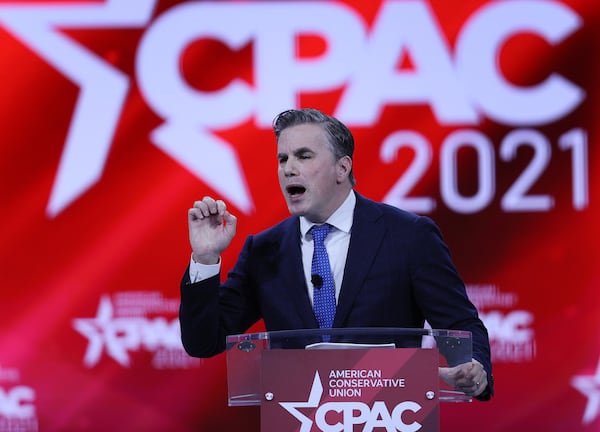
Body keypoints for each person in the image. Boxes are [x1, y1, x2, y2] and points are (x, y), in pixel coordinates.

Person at [179, 108, 493, 400]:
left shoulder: (408, 236)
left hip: (390, 417)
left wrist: (471, 366)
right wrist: (205, 258)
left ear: (342, 167)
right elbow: (203, 341)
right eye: (282, 158)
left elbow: (460, 323)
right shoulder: (264, 251)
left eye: (303, 156)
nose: (289, 169)